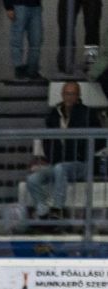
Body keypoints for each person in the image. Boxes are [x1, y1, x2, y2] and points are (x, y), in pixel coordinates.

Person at [26, 81, 94, 224]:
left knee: (60, 168)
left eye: (73, 94)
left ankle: (57, 210)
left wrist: (81, 152)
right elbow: (48, 140)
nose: (69, 97)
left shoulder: (87, 113)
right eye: (67, 93)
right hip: (58, 163)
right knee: (32, 179)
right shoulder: (54, 115)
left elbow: (97, 141)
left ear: (78, 96)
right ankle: (43, 211)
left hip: (82, 164)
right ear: (62, 95)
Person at [6, 0, 44, 80]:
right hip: (18, 5)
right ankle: (19, 68)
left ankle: (32, 69)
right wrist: (9, 6)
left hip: (35, 6)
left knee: (36, 40)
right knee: (17, 39)